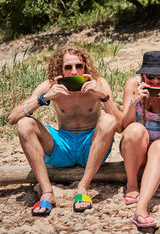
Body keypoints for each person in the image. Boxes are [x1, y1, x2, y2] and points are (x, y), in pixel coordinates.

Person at [8, 45, 122, 216]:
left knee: (108, 119)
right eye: (68, 67)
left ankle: (83, 187)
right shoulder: (50, 85)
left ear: (86, 66)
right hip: (62, 146)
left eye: (79, 66)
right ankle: (47, 192)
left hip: (90, 146)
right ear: (59, 69)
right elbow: (12, 118)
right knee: (24, 123)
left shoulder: (99, 83)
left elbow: (119, 126)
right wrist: (43, 99)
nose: (74, 72)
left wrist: (103, 96)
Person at [120, 51, 160, 228]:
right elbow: (125, 126)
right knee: (135, 129)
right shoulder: (132, 85)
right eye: (150, 77)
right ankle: (132, 184)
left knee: (158, 146)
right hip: (137, 148)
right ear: (142, 75)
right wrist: (135, 102)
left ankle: (141, 209)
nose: (156, 82)